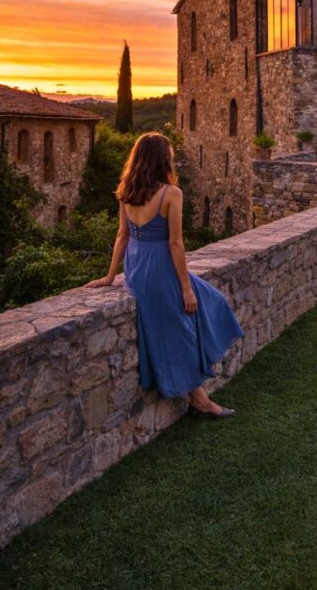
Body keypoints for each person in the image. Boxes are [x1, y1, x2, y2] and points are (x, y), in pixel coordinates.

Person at [85, 132, 244, 418]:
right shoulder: (171, 193)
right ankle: (200, 399)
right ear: (162, 159)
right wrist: (185, 288)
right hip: (159, 268)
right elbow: (175, 243)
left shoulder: (126, 190)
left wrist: (111, 276)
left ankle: (201, 384)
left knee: (210, 299)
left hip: (136, 267)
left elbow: (122, 236)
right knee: (187, 319)